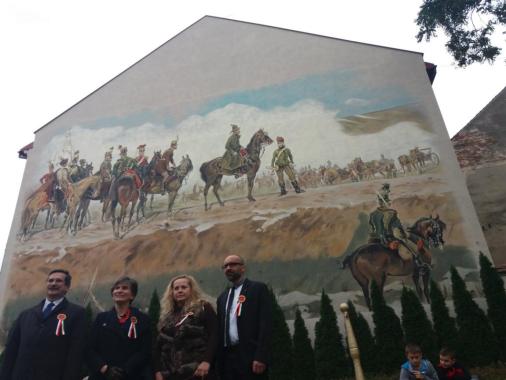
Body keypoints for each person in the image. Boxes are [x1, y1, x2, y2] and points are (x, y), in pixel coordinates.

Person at [0, 269, 87, 380]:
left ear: (67, 287)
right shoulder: (26, 315)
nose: (53, 283)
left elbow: (75, 353)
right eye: (50, 281)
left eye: (58, 281)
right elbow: (11, 350)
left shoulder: (77, 313)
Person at [216, 255, 272, 380]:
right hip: (228, 359)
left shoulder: (257, 289)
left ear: (243, 268)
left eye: (233, 264)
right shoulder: (222, 298)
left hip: (250, 356)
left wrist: (261, 356)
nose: (228, 268)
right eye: (225, 266)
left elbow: (266, 323)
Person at [154, 274, 218, 380]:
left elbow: (215, 335)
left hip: (197, 370)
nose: (180, 290)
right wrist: (158, 371)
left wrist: (207, 361)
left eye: (184, 287)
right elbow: (157, 346)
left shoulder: (203, 307)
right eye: (176, 288)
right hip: (171, 373)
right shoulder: (166, 315)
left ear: (192, 289)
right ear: (171, 292)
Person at [87, 276, 151, 380]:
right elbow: (90, 348)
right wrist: (105, 369)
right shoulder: (101, 318)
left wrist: (125, 370)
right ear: (112, 294)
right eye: (116, 288)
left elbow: (144, 350)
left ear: (132, 295)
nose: (119, 290)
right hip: (103, 375)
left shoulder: (143, 319)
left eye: (125, 288)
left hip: (131, 375)